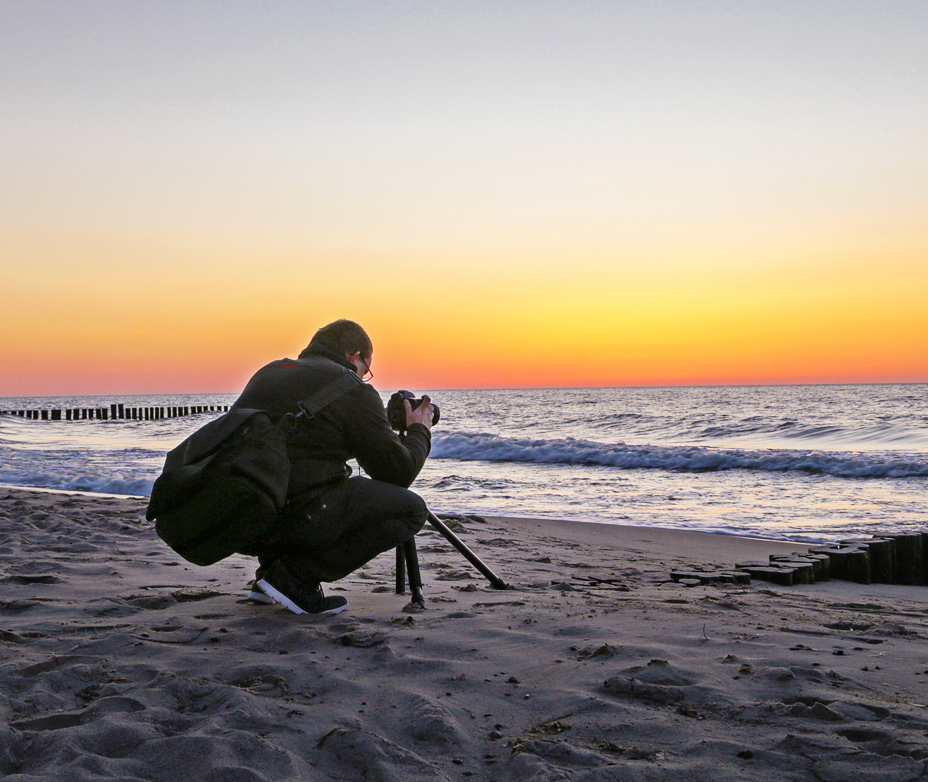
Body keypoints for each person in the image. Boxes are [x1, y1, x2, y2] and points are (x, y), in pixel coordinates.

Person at [230, 319, 435, 615]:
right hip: (294, 518)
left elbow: (303, 445)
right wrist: (419, 430)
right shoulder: (349, 387)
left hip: (241, 519)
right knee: (411, 509)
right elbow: (398, 473)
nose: (363, 377)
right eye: (366, 370)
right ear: (355, 356)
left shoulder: (269, 373)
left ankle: (269, 574)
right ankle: (295, 578)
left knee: (298, 478)